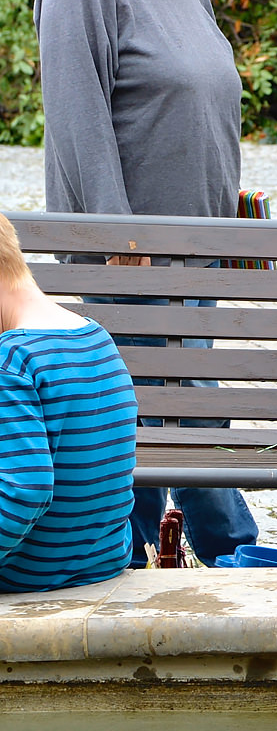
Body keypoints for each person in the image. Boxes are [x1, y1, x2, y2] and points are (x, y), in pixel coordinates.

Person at [33, 0, 258, 567]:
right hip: (129, 264)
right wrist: (115, 242)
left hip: (193, 256)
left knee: (178, 415)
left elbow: (190, 105)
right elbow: (76, 115)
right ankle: (233, 560)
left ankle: (183, 567)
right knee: (153, 424)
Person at [0, 214, 136, 591]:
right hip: (101, 560)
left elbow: (24, 491)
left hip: (29, 573)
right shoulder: (94, 337)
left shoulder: (11, 360)